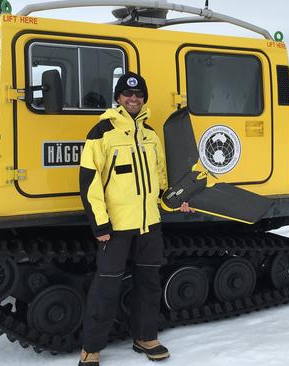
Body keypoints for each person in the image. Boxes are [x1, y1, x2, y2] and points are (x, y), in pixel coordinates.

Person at [78, 71, 191, 366]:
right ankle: (91, 347)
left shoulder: (151, 135)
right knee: (106, 286)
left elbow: (161, 179)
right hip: (116, 227)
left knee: (149, 283)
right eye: (128, 94)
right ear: (118, 97)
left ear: (144, 99)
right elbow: (89, 182)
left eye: (139, 95)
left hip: (149, 224)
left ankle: (145, 337)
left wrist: (176, 202)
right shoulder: (101, 132)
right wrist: (100, 224)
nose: (133, 99)